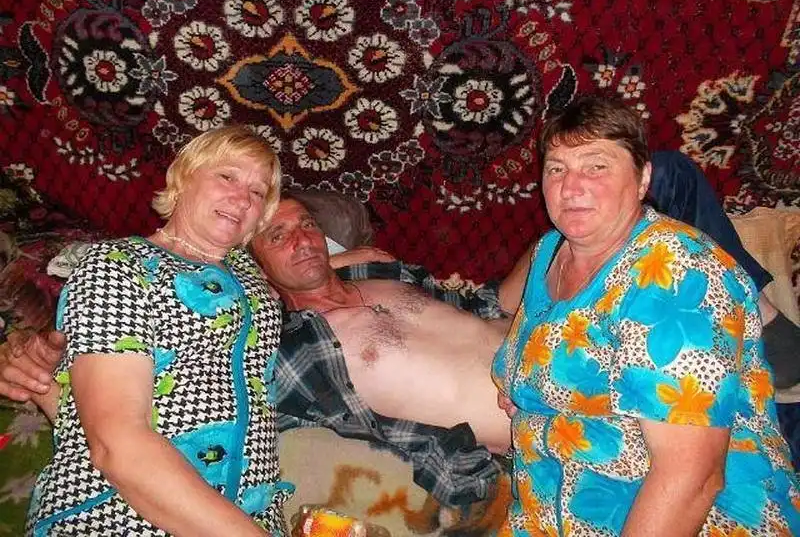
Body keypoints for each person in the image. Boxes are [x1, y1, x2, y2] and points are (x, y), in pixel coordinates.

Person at [2, 143, 797, 507]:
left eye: (306, 226)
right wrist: (45, 359)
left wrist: (560, 237)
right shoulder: (279, 346)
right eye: (275, 234)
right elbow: (163, 375)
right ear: (249, 265)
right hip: (578, 427)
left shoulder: (382, 271)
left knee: (656, 174)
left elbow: (494, 302)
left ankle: (772, 334)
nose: (300, 238)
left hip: (564, 341)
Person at [492, 96, 799, 536]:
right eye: (556, 168)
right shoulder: (548, 254)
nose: (570, 187)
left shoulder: (679, 273)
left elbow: (691, 480)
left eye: (596, 166)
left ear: (643, 179)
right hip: (548, 511)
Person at [24, 125, 291, 536]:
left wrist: (350, 259)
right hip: (118, 515)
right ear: (183, 178)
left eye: (258, 192)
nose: (243, 199)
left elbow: (311, 275)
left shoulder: (252, 278)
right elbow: (117, 442)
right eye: (227, 176)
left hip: (251, 516)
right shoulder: (116, 266)